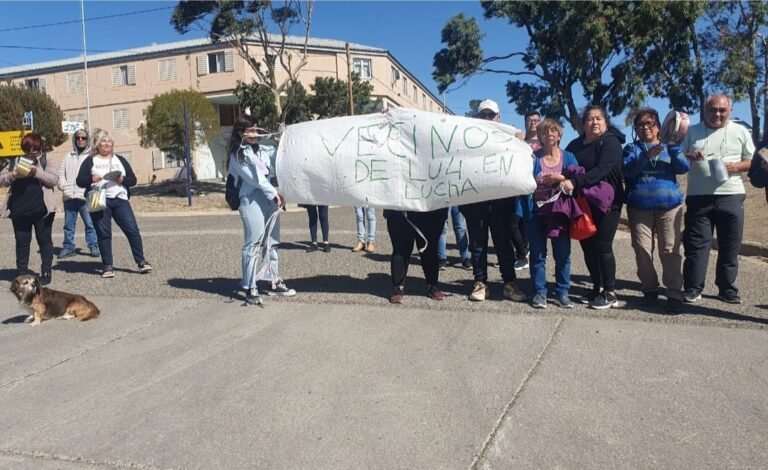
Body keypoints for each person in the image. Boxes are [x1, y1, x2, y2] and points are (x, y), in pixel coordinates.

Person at [680, 94, 755, 304]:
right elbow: (678, 156)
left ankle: (727, 288)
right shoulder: (692, 132)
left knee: (730, 245)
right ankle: (693, 288)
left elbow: (752, 160)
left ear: (730, 111)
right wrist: (689, 156)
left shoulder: (740, 131)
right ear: (704, 111)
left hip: (731, 195)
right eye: (712, 110)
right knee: (696, 246)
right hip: (698, 196)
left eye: (722, 110)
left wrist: (736, 167)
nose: (717, 114)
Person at [459, 99, 527, 303]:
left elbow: (528, 147)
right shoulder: (467, 137)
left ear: (498, 117)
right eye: (483, 115)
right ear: (477, 117)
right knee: (477, 244)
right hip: (476, 200)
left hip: (500, 201)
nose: (487, 119)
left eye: (491, 115)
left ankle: (509, 283)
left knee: (503, 243)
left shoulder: (510, 136)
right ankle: (480, 283)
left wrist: (521, 139)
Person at [623, 108, 690, 313]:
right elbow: (627, 171)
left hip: (669, 207)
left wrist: (675, 148)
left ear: (659, 127)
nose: (645, 127)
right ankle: (650, 290)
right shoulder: (631, 149)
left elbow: (683, 168)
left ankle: (674, 294)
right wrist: (645, 156)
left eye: (650, 123)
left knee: (670, 250)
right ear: (635, 129)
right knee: (642, 250)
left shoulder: (670, 147)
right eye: (640, 124)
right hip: (639, 208)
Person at [227, 115, 295, 305]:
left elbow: (279, 160)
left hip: (269, 197)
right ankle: (249, 286)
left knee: (272, 241)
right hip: (250, 199)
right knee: (254, 242)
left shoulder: (264, 149)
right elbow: (256, 179)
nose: (255, 133)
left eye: (256, 129)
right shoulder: (238, 155)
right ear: (241, 132)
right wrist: (274, 194)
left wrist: (284, 139)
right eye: (250, 130)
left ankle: (273, 281)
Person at [563, 105, 626, 309]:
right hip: (583, 202)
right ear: (583, 124)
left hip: (609, 203)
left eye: (599, 118)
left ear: (606, 121)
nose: (595, 122)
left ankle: (610, 292)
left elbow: (602, 169)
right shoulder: (574, 146)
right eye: (590, 119)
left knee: (602, 245)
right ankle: (597, 287)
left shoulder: (611, 142)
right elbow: (564, 166)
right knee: (587, 245)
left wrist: (576, 182)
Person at [76, 129, 152, 279]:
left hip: (119, 199)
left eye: (109, 141)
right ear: (97, 144)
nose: (107, 144)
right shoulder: (90, 160)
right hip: (99, 199)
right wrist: (92, 179)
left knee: (132, 229)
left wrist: (122, 180)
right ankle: (107, 266)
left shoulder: (120, 159)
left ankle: (141, 262)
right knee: (103, 234)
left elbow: (133, 180)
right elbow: (79, 181)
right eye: (103, 141)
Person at [525, 118, 577, 309]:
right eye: (545, 132)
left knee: (563, 254)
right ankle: (540, 292)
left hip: (560, 212)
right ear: (540, 136)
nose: (550, 135)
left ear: (559, 135)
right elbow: (523, 179)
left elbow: (578, 177)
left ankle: (563, 292)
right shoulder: (533, 157)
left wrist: (560, 178)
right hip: (536, 212)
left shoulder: (569, 157)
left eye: (553, 131)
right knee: (538, 254)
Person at [0, 133, 58, 285]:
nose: (31, 153)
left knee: (44, 241)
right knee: (22, 242)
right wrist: (13, 175)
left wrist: (36, 172)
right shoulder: (15, 160)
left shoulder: (46, 160)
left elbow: (53, 179)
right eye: (28, 150)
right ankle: (22, 272)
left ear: (39, 148)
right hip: (19, 210)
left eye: (34, 150)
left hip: (42, 210)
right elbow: (2, 180)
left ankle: (46, 271)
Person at [385, 209, 448, 303]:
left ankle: (432, 285)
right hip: (400, 211)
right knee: (400, 250)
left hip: (429, 211)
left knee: (430, 249)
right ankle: (398, 288)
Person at [57, 129, 99, 259]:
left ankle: (93, 246)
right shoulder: (68, 156)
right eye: (78, 138)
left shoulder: (92, 157)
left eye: (84, 138)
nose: (81, 140)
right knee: (68, 225)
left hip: (86, 196)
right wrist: (63, 186)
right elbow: (61, 174)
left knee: (90, 223)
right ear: (74, 140)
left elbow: (97, 175)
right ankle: (69, 247)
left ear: (87, 140)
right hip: (69, 196)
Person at [437, 206, 471, 270]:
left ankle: (465, 258)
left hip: (457, 198)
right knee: (442, 227)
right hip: (443, 198)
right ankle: (441, 258)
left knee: (460, 227)